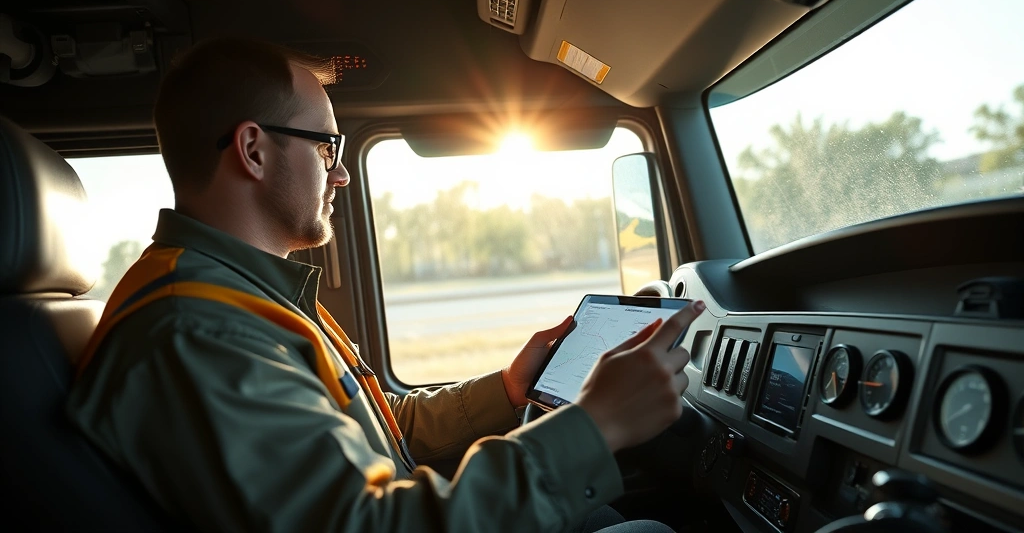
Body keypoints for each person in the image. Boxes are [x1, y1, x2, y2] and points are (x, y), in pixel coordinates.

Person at [67, 38, 706, 533]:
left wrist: (507, 391)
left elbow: (371, 430)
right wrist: (594, 427)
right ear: (253, 151)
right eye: (326, 148)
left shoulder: (241, 295)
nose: (340, 175)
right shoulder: (196, 330)